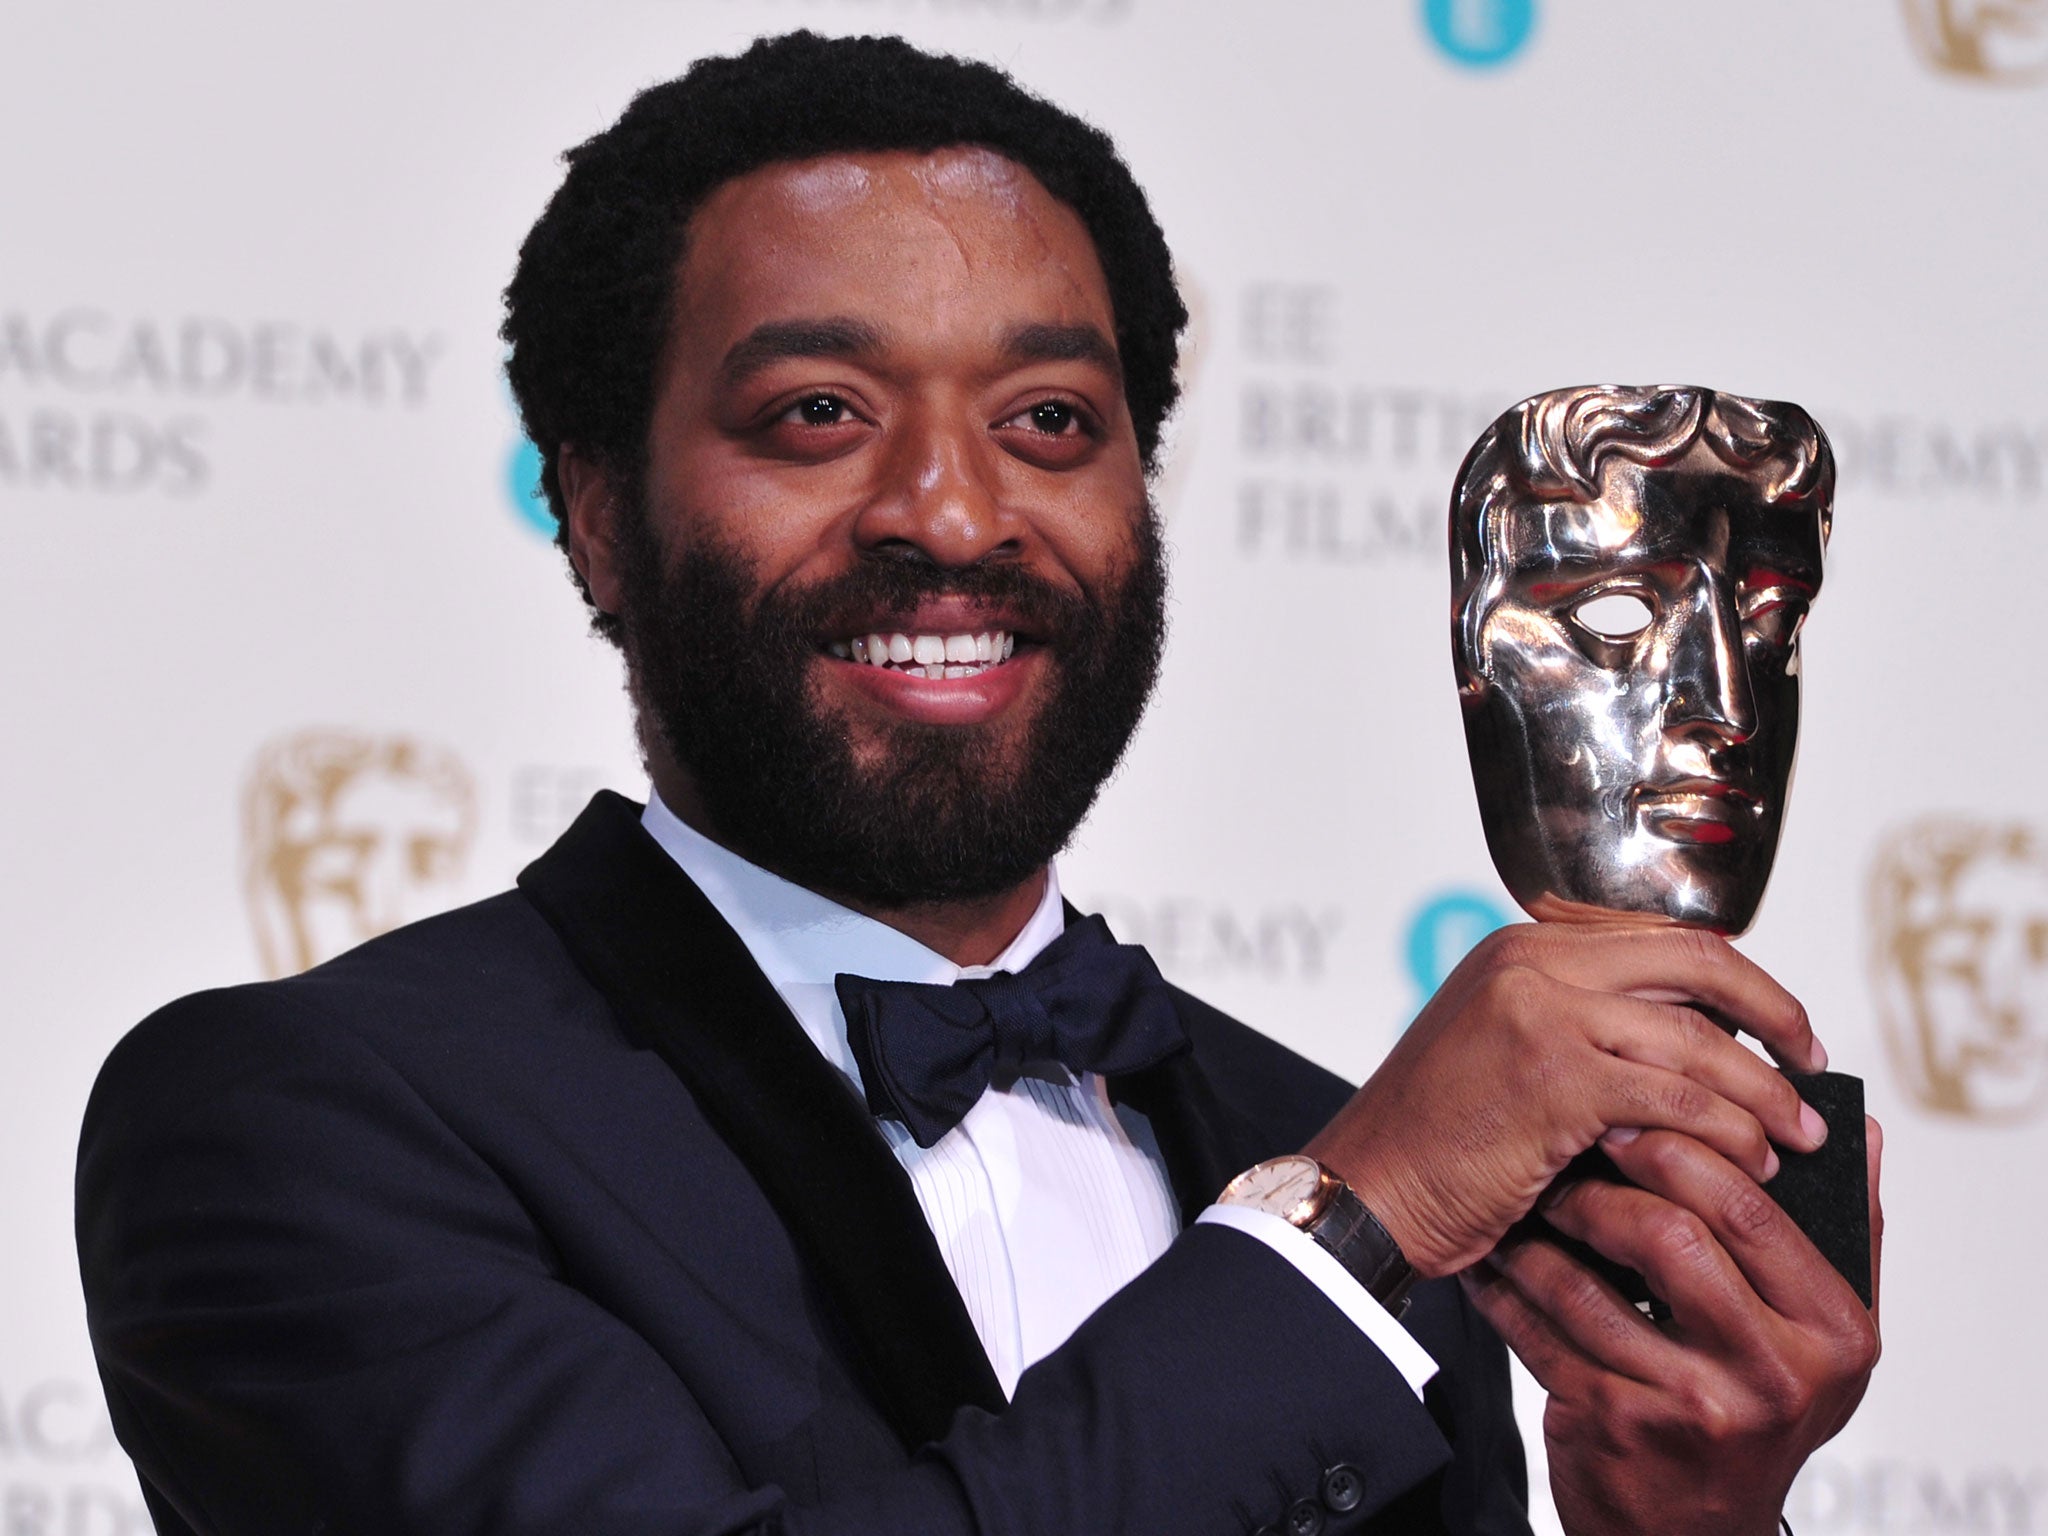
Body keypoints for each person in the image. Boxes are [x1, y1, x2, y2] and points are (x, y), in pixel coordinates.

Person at [75, 31, 1881, 1536]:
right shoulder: (295, 1124)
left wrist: (1684, 1531)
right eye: (818, 416)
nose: (953, 513)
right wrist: (1353, 1225)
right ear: (598, 514)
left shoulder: (1304, 1125)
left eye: (1049, 425)